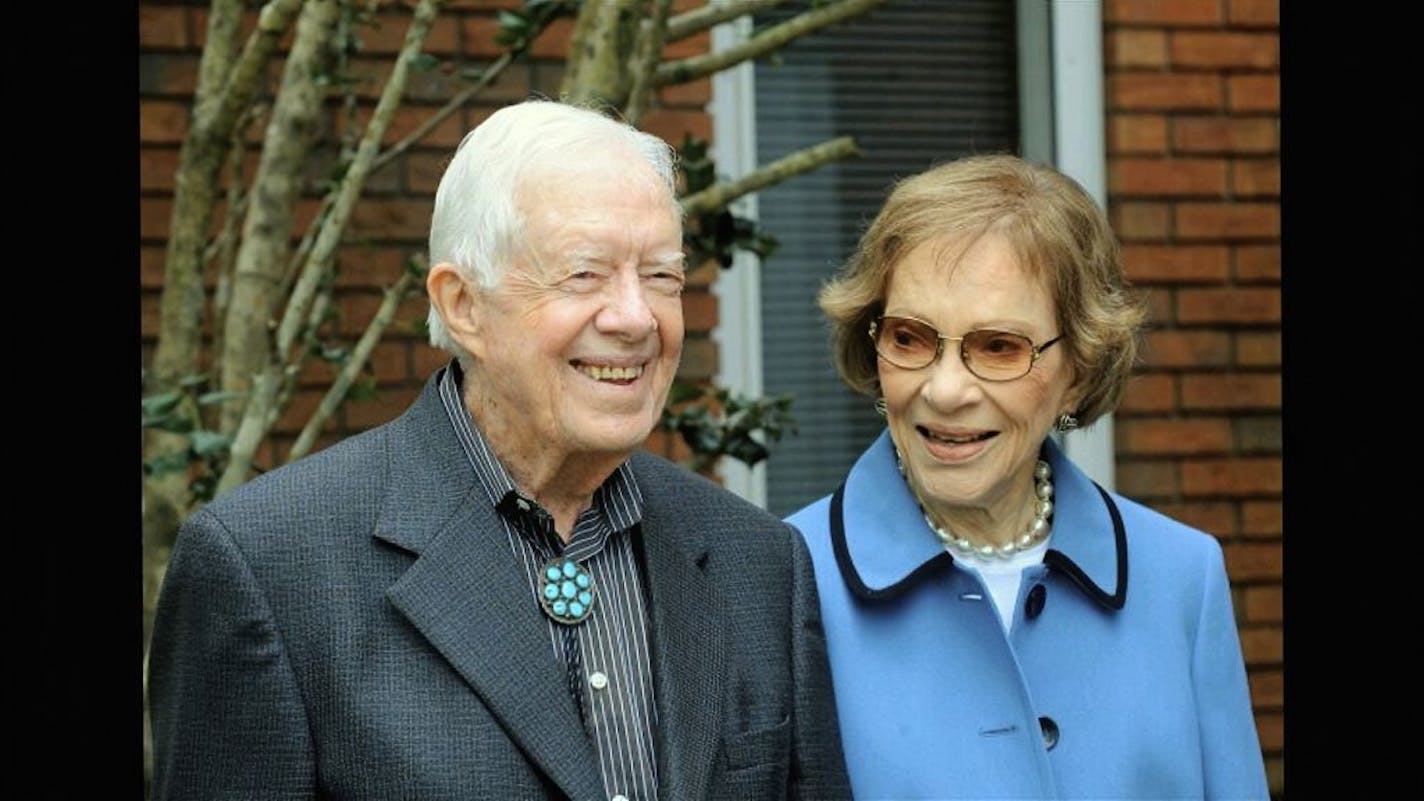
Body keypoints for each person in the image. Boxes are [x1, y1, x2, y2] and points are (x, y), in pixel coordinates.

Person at [148, 98, 852, 800]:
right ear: (463, 305)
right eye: (585, 274)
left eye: (662, 275)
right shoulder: (271, 567)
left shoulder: (759, 563)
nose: (637, 316)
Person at [785, 154, 1270, 799]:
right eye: (910, 337)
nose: (946, 389)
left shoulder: (1182, 577)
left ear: (1079, 370)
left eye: (998, 347)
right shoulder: (783, 581)